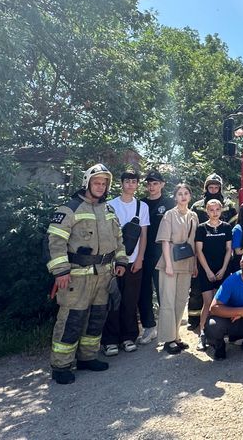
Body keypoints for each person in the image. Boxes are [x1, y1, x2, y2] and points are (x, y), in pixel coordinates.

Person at [46, 164, 128, 384]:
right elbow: (55, 242)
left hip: (104, 275)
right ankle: (61, 365)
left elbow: (118, 239)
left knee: (96, 318)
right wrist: (60, 271)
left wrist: (121, 261)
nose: (100, 187)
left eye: (104, 183)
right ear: (87, 183)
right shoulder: (70, 208)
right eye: (96, 182)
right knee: (72, 319)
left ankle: (87, 357)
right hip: (76, 276)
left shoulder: (108, 210)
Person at [102, 171, 150, 357]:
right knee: (112, 301)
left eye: (134, 181)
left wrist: (140, 258)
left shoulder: (142, 206)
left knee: (130, 301)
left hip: (134, 262)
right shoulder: (110, 205)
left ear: (137, 184)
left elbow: (144, 235)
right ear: (121, 183)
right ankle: (110, 341)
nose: (130, 185)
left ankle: (129, 337)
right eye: (127, 181)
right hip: (113, 262)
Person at [155, 183, 199, 355]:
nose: (183, 196)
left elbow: (194, 243)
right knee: (168, 301)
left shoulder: (193, 216)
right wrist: (168, 264)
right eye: (179, 193)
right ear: (175, 197)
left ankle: (176, 336)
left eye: (186, 193)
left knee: (181, 301)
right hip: (170, 263)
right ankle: (167, 339)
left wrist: (194, 265)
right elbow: (165, 241)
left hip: (187, 263)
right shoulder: (169, 215)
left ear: (190, 196)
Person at [137, 170, 175, 345]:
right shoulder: (140, 204)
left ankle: (167, 326)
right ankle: (149, 327)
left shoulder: (169, 203)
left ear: (162, 184)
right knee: (144, 291)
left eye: (155, 183)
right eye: (149, 184)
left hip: (163, 253)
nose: (152, 187)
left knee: (164, 291)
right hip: (143, 253)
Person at [194, 199, 232, 351]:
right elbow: (199, 251)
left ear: (221, 210)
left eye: (217, 209)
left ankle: (220, 333)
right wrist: (208, 271)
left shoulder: (227, 227)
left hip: (222, 269)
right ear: (206, 211)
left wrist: (223, 269)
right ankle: (202, 334)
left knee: (221, 303)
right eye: (211, 210)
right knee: (208, 303)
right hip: (206, 270)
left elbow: (229, 249)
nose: (215, 212)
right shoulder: (201, 228)